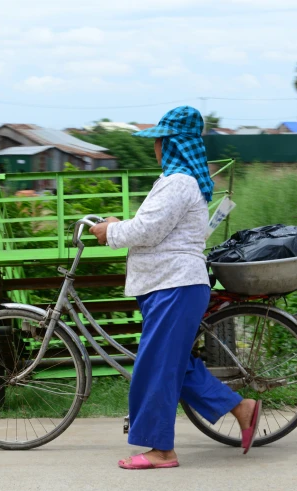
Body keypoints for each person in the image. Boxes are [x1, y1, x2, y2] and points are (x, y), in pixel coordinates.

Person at [89, 106, 261, 470]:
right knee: (174, 367)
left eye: (158, 141)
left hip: (174, 286)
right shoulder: (182, 182)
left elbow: (147, 230)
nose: (155, 148)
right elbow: (154, 226)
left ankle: (161, 450)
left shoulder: (177, 182)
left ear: (170, 144)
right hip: (170, 285)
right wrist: (122, 225)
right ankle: (241, 408)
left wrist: (111, 231)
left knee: (154, 368)